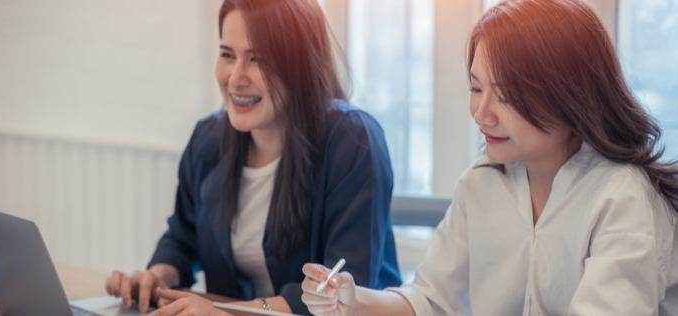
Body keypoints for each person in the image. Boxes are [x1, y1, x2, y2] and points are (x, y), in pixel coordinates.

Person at [301, 0, 678, 314]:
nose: (481, 113)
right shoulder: (481, 183)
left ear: (570, 95)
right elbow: (430, 300)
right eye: (475, 88)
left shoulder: (623, 197)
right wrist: (350, 300)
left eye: (507, 95)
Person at [104, 0, 402, 315]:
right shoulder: (208, 138)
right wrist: (156, 277)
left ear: (301, 63)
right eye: (227, 55)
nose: (235, 78)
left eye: (258, 59)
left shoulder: (353, 140)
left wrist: (229, 313)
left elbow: (338, 294)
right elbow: (182, 237)